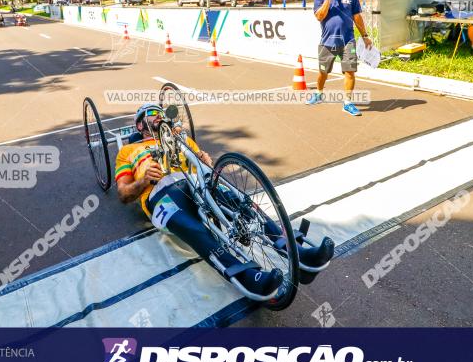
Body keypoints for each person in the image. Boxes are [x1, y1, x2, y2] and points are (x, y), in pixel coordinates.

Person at [116, 104, 335, 297]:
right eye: (153, 113)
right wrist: (142, 180)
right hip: (161, 194)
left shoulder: (181, 139)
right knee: (197, 230)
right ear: (139, 125)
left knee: (244, 204)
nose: (159, 116)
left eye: (161, 113)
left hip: (196, 181)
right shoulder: (128, 151)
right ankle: (249, 276)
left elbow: (206, 166)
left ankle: (299, 253)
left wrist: (206, 160)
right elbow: (124, 194)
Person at [307, 0, 373, 116]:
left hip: (347, 40)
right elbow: (319, 16)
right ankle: (319, 93)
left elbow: (357, 17)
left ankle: (348, 103)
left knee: (350, 72)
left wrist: (365, 36)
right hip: (327, 41)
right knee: (323, 72)